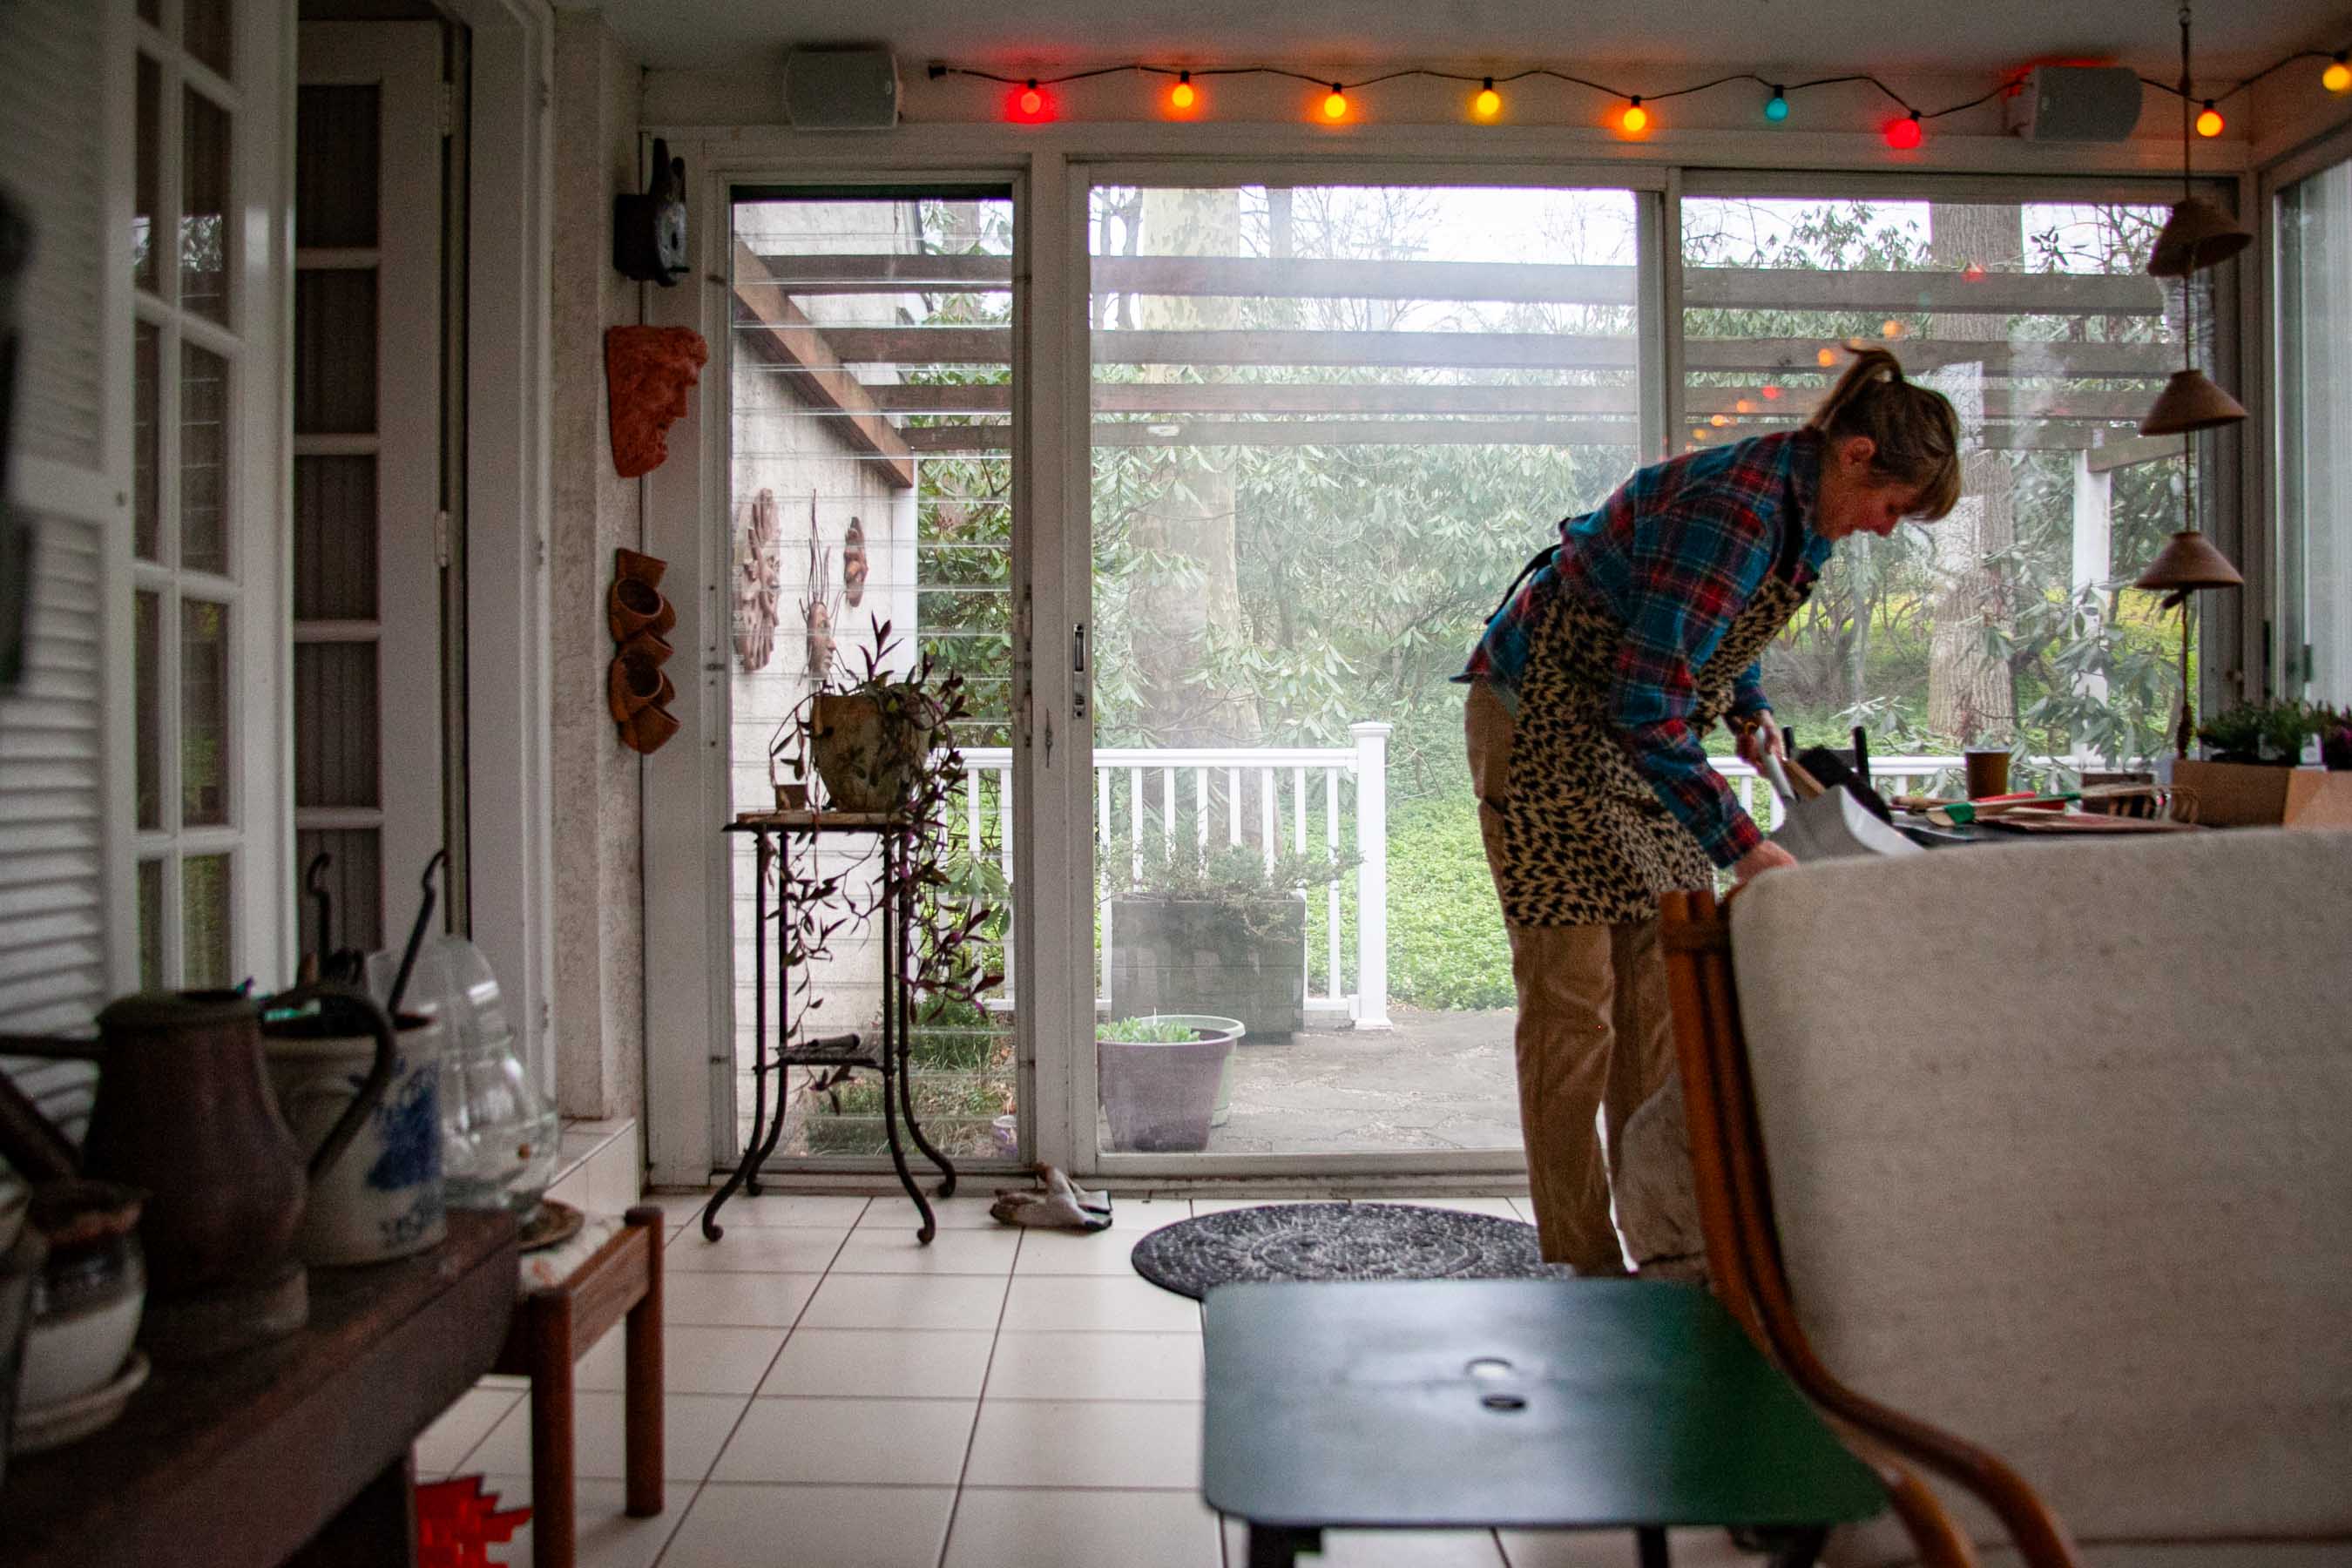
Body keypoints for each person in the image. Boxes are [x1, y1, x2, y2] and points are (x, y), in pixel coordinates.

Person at [1456, 348, 1961, 1275]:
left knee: (1659, 1004)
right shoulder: (1738, 509)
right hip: (1545, 732)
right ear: (1855, 456)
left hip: (1631, 738)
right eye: (1895, 507)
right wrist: (1743, 849)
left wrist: (1747, 702)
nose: (1890, 530)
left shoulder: (1799, 512)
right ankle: (1583, 1267)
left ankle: (1664, 1246)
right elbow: (1647, 698)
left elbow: (1709, 626)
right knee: (1576, 1012)